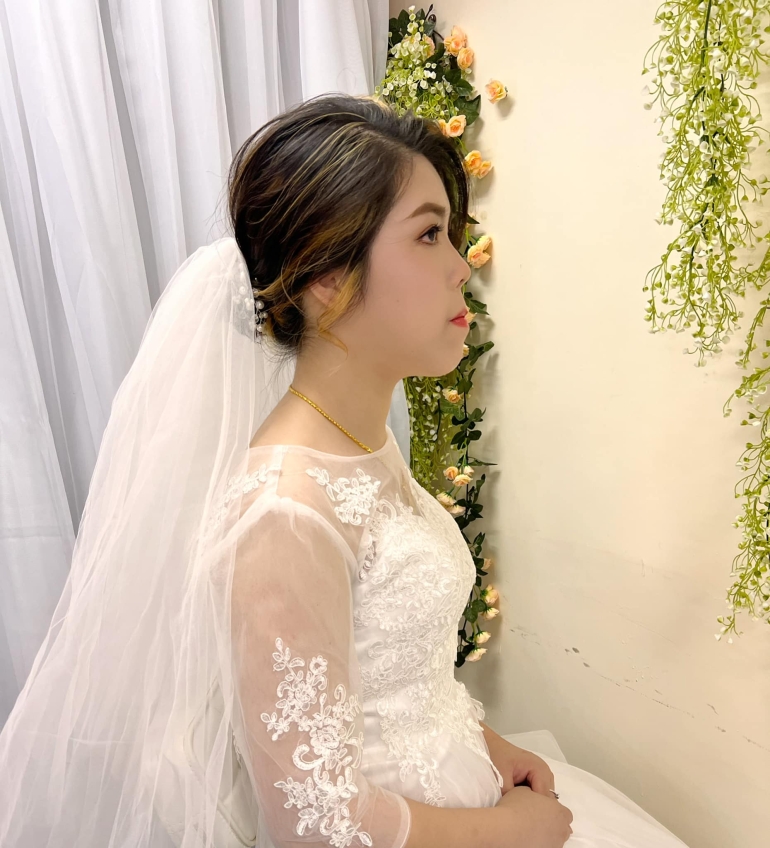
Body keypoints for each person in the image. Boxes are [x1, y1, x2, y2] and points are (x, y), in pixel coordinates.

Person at [0, 93, 689, 848]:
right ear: (327, 276)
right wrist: (514, 833)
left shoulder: (359, 445)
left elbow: (392, 680)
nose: (461, 267)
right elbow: (316, 823)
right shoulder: (284, 512)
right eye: (428, 234)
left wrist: (490, 748)